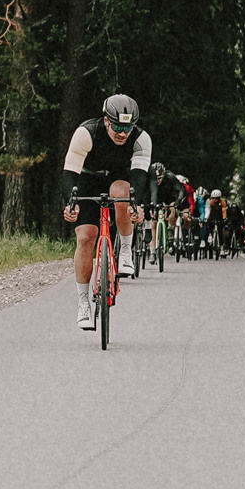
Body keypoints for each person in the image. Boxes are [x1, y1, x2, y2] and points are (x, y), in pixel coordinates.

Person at [60, 93, 151, 331]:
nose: (123, 133)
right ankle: (83, 303)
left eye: (128, 127)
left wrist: (137, 205)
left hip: (118, 179)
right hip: (87, 180)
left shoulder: (142, 139)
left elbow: (139, 178)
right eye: (118, 127)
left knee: (122, 191)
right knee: (85, 237)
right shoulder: (86, 132)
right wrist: (71, 203)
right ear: (107, 121)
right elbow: (69, 173)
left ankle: (126, 252)